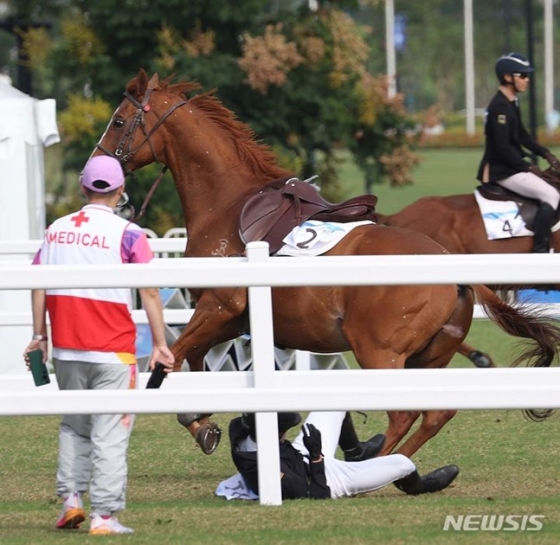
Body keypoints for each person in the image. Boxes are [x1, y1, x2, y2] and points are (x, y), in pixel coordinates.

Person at [23, 155, 175, 535]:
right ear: (121, 189)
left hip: (66, 351)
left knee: (74, 427)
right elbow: (150, 291)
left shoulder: (55, 230)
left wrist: (39, 335)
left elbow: (37, 282)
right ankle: (104, 515)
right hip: (114, 351)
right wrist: (160, 343)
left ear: (82, 187)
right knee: (111, 431)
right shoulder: (129, 234)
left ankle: (71, 501)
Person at [226, 411, 458, 500]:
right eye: (284, 431)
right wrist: (316, 456)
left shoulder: (240, 428)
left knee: (331, 405)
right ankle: (419, 486)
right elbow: (315, 493)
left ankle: (354, 452)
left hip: (300, 455)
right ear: (274, 433)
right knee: (402, 463)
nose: (287, 432)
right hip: (326, 480)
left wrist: (308, 451)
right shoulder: (267, 472)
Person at [477, 52, 560, 253]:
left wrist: (545, 153)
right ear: (507, 77)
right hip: (502, 170)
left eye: (527, 76)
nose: (526, 80)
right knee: (551, 195)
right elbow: (502, 148)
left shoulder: (512, 102)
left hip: (513, 166)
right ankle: (540, 251)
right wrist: (529, 167)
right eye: (522, 75)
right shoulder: (500, 107)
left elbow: (522, 135)